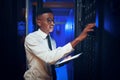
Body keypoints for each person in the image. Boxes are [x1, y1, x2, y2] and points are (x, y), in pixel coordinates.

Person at [23, 7, 95, 80]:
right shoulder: (31, 38)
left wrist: (63, 61)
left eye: (53, 20)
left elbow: (52, 63)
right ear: (39, 22)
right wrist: (78, 39)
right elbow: (49, 58)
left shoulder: (52, 40)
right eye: (49, 21)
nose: (53, 23)